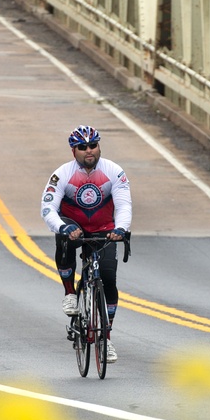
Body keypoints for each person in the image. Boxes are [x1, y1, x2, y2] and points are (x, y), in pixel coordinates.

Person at [41, 125, 132, 362]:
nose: (88, 151)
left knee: (109, 278)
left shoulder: (114, 171)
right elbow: (48, 208)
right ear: (74, 151)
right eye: (82, 147)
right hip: (73, 226)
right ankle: (70, 292)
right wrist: (63, 227)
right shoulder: (61, 174)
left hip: (103, 229)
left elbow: (123, 205)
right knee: (64, 241)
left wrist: (120, 228)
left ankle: (106, 338)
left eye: (93, 145)